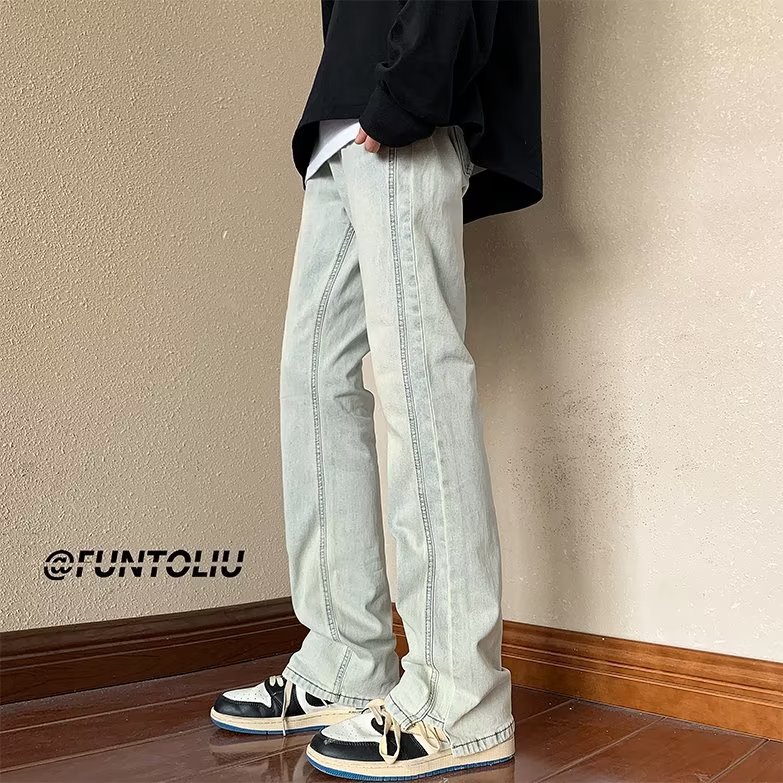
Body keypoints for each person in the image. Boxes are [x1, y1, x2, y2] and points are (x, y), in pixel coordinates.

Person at [210, 0, 542, 778]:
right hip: (348, 104)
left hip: (403, 90)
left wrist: (414, 78)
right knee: (313, 377)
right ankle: (345, 657)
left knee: (417, 374)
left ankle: (460, 693)